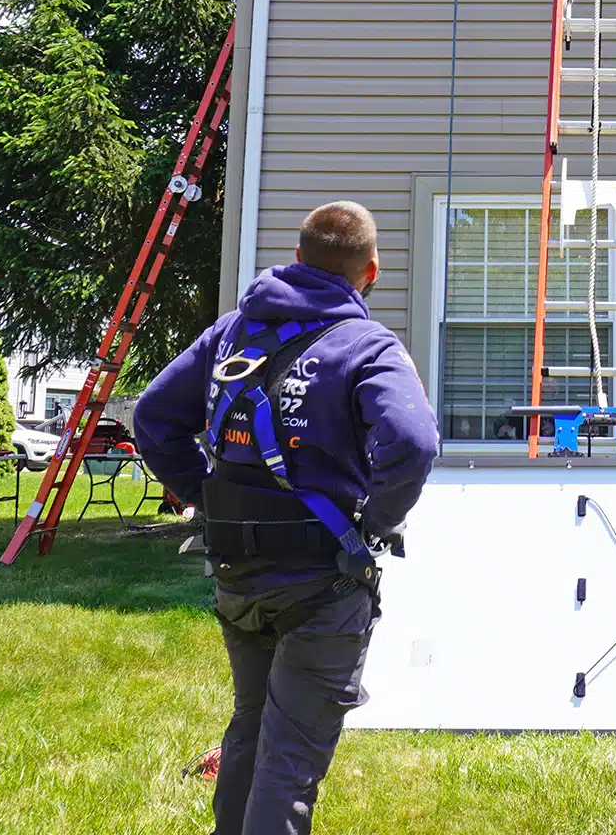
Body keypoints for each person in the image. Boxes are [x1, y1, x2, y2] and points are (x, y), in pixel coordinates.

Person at [135, 201, 439, 835]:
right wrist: (376, 522)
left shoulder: (230, 333)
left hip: (236, 574)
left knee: (252, 725)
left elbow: (153, 418)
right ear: (371, 272)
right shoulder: (366, 345)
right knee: (290, 759)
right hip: (321, 582)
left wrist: (204, 495)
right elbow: (413, 444)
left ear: (298, 260)